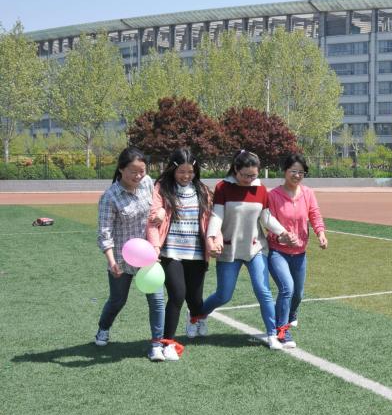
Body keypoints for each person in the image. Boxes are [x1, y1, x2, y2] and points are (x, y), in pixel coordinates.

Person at [200, 150, 297, 348]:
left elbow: (266, 218)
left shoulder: (260, 189)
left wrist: (283, 232)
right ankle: (197, 315)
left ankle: (272, 334)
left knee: (263, 290)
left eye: (253, 175)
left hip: (255, 248)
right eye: (245, 175)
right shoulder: (223, 187)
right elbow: (217, 216)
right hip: (229, 249)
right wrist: (211, 239)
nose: (249, 179)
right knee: (224, 295)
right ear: (236, 169)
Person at [95, 147, 167, 361]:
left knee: (157, 300)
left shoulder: (147, 183)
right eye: (133, 172)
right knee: (118, 300)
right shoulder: (110, 197)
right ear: (121, 169)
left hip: (148, 255)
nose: (138, 176)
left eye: (142, 171)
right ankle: (103, 328)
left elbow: (159, 205)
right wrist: (111, 261)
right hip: (121, 258)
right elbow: (104, 232)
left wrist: (161, 212)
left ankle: (156, 344)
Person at [147, 148, 218, 347]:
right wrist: (155, 246)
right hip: (170, 252)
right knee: (177, 295)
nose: (186, 176)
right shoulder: (162, 188)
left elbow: (213, 220)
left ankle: (194, 317)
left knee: (195, 299)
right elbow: (152, 219)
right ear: (173, 169)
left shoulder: (203, 190)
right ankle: (167, 341)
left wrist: (215, 241)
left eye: (190, 172)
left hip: (196, 253)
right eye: (181, 172)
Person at [267, 153, 328, 348]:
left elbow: (315, 215)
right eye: (293, 171)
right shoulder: (273, 195)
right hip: (278, 252)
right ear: (285, 171)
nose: (297, 175)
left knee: (298, 294)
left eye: (301, 172)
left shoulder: (308, 193)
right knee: (287, 288)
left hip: (300, 253)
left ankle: (291, 314)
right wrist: (281, 236)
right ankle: (282, 331)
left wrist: (320, 234)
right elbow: (269, 223)